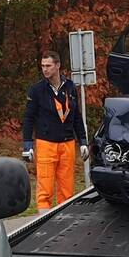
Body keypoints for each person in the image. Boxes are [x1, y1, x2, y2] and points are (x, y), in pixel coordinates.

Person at [22, 51, 88, 210]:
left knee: (67, 190)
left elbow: (76, 117)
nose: (45, 69)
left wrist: (83, 142)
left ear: (57, 66)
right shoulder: (37, 90)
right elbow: (28, 118)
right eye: (43, 66)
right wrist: (28, 145)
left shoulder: (70, 87)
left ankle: (65, 224)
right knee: (45, 189)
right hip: (46, 143)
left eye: (48, 66)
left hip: (67, 143)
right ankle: (43, 223)